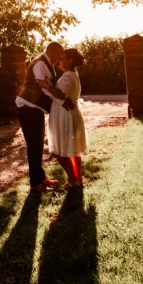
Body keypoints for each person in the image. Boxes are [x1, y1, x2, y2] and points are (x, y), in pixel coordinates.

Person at [16, 41, 67, 192]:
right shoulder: (40, 64)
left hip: (34, 109)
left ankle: (41, 178)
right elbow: (43, 87)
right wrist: (60, 101)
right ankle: (36, 185)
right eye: (59, 54)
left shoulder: (45, 63)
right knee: (34, 147)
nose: (60, 58)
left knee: (38, 146)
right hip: (28, 108)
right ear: (52, 51)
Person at [47, 48, 88, 189]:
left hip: (65, 115)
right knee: (71, 149)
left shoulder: (69, 75)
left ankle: (73, 180)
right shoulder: (72, 74)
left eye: (63, 57)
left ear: (70, 60)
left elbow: (59, 94)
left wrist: (44, 85)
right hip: (68, 112)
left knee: (59, 149)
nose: (60, 60)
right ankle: (77, 180)